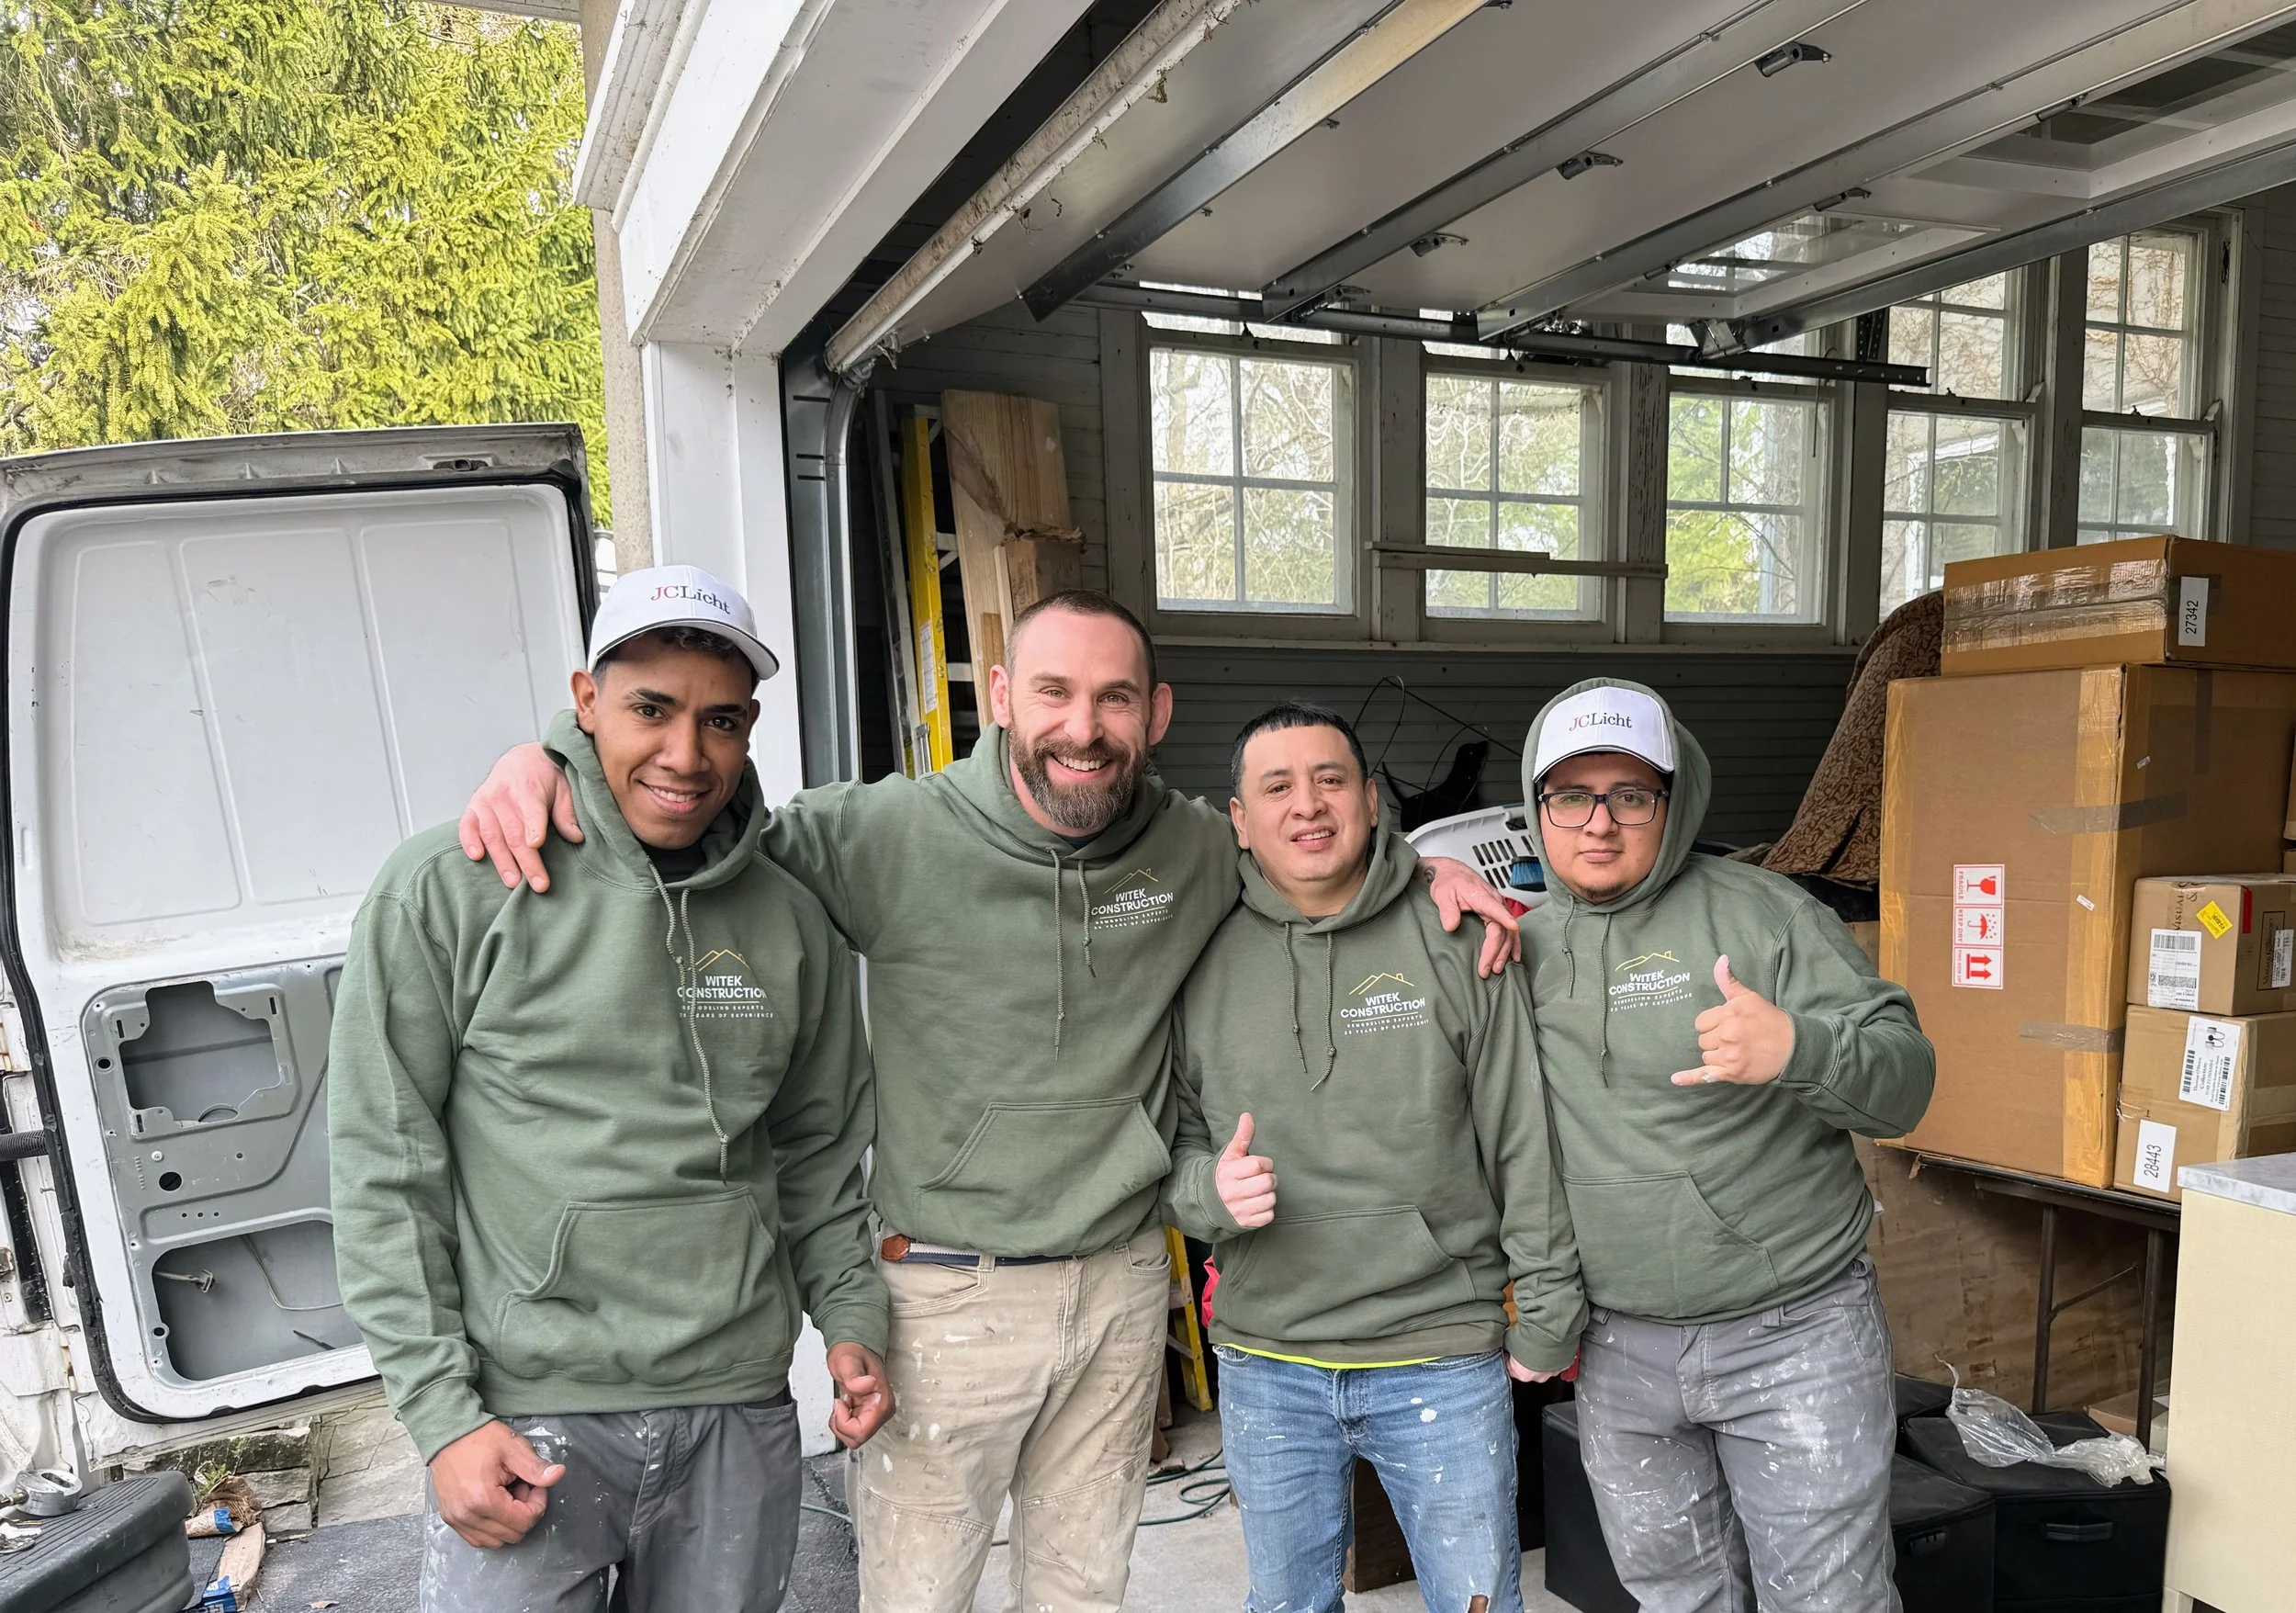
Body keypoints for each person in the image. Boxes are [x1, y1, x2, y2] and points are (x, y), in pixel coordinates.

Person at [455, 589, 1524, 1613]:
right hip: (943, 1299)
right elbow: (695, 814)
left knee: (1081, 1588)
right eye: (1055, 692)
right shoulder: (883, 834)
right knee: (921, 1592)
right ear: (1002, 695)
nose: (1084, 726)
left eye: (1114, 699)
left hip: (1114, 1293)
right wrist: (552, 756)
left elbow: (1314, 850)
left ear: (1153, 715)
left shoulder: (1195, 843)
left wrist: (1429, 876)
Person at [330, 567, 894, 1613]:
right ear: (585, 702)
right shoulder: (450, 888)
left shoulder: (789, 920)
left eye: (720, 720)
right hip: (527, 1414)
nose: (686, 754)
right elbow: (384, 1170)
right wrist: (442, 1416)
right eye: (651, 709)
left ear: (750, 727)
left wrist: (851, 1318)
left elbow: (817, 1154)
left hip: (737, 1407)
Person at [1517, 678, 1934, 1612]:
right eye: (1571, 796)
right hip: (1618, 1344)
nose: (1599, 823)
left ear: (1675, 800)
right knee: (1676, 1597)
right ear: (1536, 808)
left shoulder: (1764, 914)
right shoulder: (1517, 945)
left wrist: (1798, 1047)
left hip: (1793, 1331)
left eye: (1631, 794)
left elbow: (1905, 1080)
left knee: (1827, 1599)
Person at [1165, 702, 1585, 1613]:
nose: (1306, 804)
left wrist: (1547, 1306)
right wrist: (1208, 1191)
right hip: (1267, 1357)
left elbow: (1521, 1134)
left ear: (1368, 800)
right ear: (1237, 818)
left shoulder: (1460, 934)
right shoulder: (1192, 956)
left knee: (1474, 1603)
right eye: (1275, 786)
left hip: (1438, 1349)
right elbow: (1173, 1143)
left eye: (1330, 779)